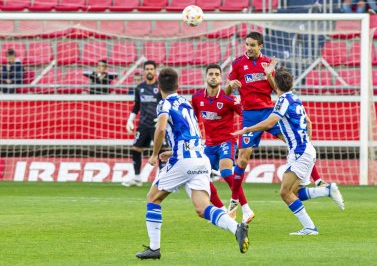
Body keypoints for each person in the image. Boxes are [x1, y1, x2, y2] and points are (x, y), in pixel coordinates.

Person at [136, 67, 249, 260]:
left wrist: (155, 154)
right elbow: (191, 133)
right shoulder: (186, 103)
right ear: (178, 85)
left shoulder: (164, 104)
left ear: (158, 87)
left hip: (183, 161)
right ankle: (236, 228)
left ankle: (154, 248)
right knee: (202, 208)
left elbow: (161, 128)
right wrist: (172, 151)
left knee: (153, 198)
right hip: (200, 158)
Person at [232, 69, 345, 235]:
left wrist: (248, 129)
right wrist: (307, 145)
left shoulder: (283, 100)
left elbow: (270, 122)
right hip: (305, 150)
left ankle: (310, 226)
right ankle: (325, 192)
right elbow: (309, 122)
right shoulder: (295, 98)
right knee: (296, 192)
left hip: (300, 153)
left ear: (275, 86)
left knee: (285, 192)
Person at [225, 31, 325, 216]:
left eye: (253, 45)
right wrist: (232, 85)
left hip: (269, 111)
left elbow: (276, 89)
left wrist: (269, 74)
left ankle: (318, 179)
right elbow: (227, 90)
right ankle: (234, 200)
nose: (249, 48)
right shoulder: (238, 63)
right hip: (249, 114)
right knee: (243, 158)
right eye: (247, 44)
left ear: (260, 46)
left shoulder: (267, 63)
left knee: (295, 141)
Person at [192, 64, 254, 223]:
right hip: (209, 145)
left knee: (226, 172)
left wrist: (248, 132)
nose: (213, 76)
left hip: (227, 141)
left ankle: (246, 209)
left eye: (216, 74)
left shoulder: (229, 100)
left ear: (221, 78)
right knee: (200, 178)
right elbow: (192, 119)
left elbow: (246, 115)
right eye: (210, 74)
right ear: (206, 77)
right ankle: (220, 210)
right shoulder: (197, 98)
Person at [123, 61, 166, 187]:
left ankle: (162, 179)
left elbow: (165, 103)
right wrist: (130, 120)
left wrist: (162, 118)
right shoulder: (139, 88)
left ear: (155, 71)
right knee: (136, 148)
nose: (149, 71)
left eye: (151, 69)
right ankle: (137, 178)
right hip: (143, 124)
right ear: (144, 71)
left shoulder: (160, 88)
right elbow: (137, 106)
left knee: (162, 150)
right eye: (147, 69)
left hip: (157, 124)